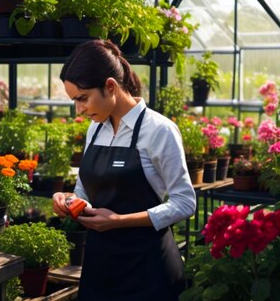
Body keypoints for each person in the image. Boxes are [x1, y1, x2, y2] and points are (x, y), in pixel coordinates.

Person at [52, 39, 196, 301]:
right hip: (100, 266)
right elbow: (84, 189)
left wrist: (119, 221)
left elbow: (185, 202)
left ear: (110, 86)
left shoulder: (159, 130)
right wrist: (69, 200)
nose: (79, 109)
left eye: (83, 98)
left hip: (147, 269)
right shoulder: (95, 129)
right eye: (74, 100)